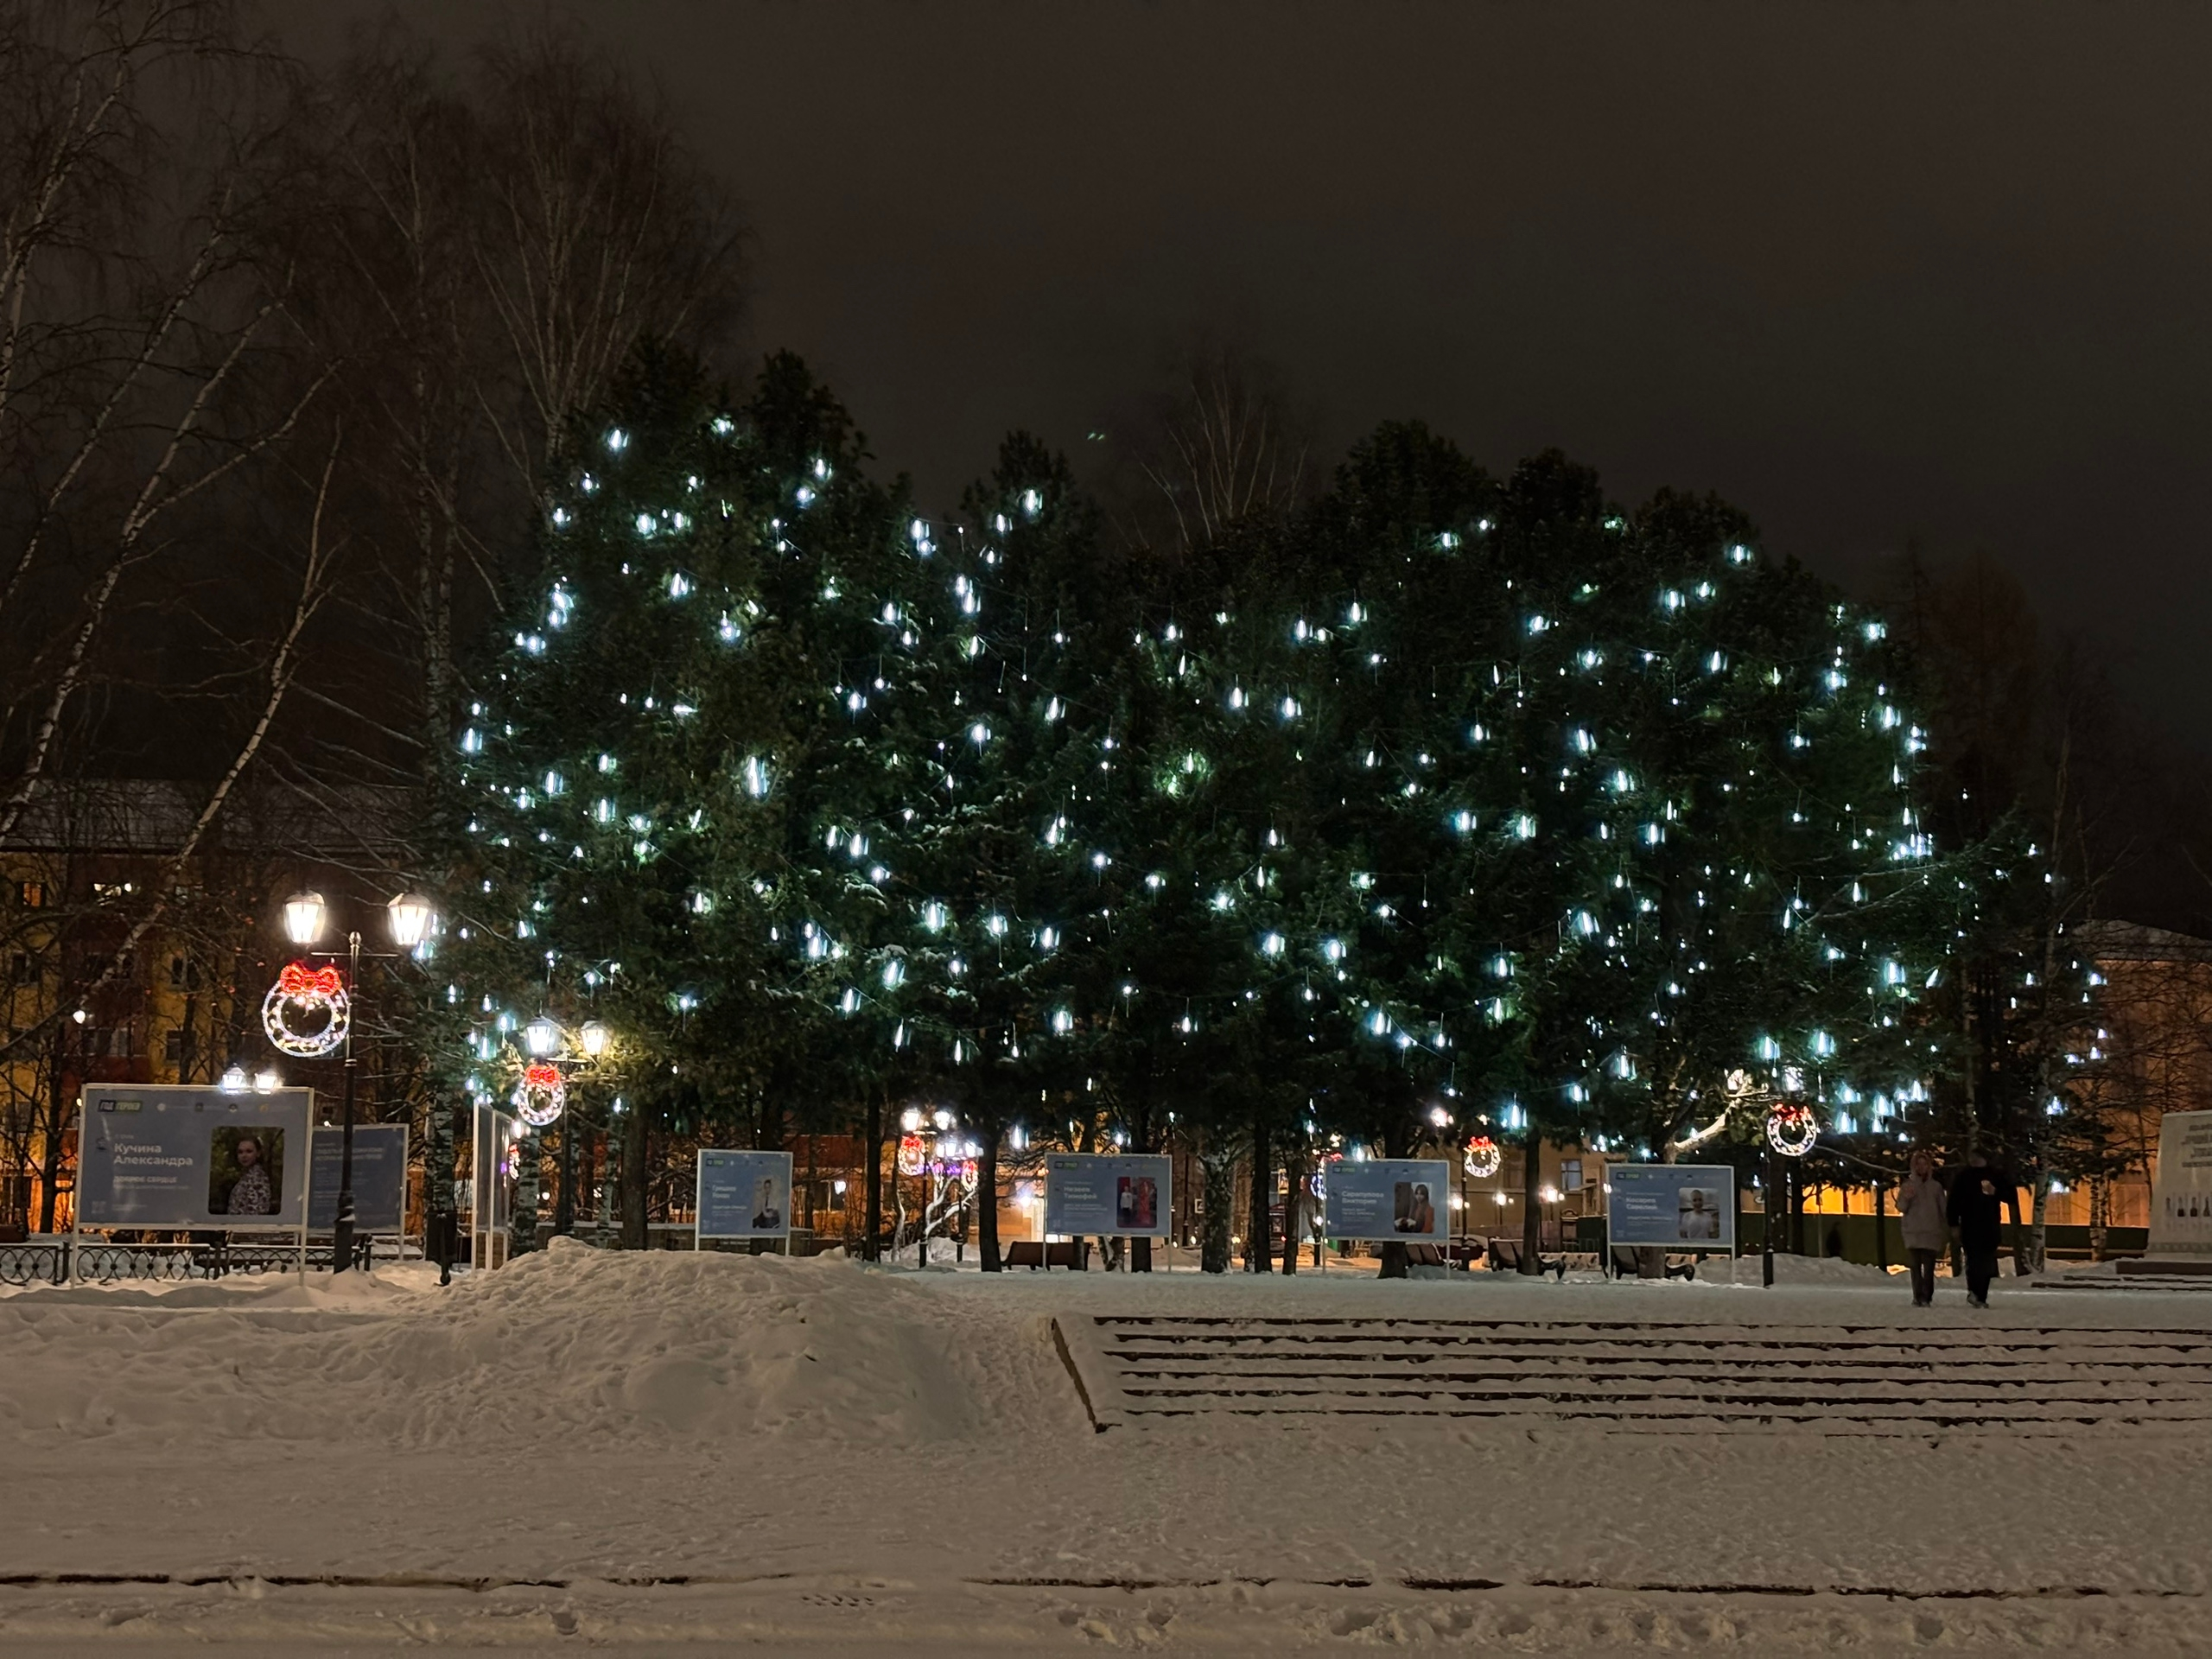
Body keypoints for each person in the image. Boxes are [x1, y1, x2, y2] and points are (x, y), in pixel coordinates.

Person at [1945, 1150, 2012, 1308]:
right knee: (1973, 1261)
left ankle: (1981, 1295)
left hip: (1990, 1226)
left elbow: (2010, 1196)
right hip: (1969, 1226)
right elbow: (1953, 1202)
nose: (1974, 1159)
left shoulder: (1995, 1175)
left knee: (1986, 1262)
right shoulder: (1963, 1176)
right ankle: (1974, 1292)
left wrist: (1995, 1192)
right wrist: (1953, 1224)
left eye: (1977, 1156)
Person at [1895, 1149, 1948, 1306]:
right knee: (1915, 1267)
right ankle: (1918, 1296)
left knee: (1929, 1267)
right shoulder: (1908, 1186)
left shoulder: (1936, 1187)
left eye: (1924, 1164)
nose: (1921, 1167)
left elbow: (1943, 1209)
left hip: (1931, 1231)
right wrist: (1907, 1197)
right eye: (1918, 1164)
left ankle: (1926, 1296)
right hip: (1913, 1231)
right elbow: (1901, 1207)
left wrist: (1946, 1226)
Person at [223, 1135, 275, 1217]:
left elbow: (257, 1212)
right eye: (240, 1152)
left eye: (249, 1151)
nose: (244, 1156)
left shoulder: (257, 1178)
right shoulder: (246, 1176)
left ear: (258, 1153)